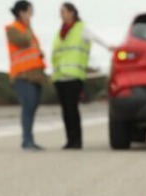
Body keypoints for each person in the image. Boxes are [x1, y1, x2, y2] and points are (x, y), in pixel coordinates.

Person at [52, 2, 114, 149]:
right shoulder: (59, 32)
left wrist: (109, 47)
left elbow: (96, 38)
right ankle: (69, 139)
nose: (61, 14)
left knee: (72, 109)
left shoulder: (81, 28)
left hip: (74, 76)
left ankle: (76, 140)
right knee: (65, 111)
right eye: (60, 12)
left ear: (72, 12)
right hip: (60, 77)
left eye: (64, 11)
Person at [6, 1, 46, 151]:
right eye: (29, 11)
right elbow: (23, 41)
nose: (32, 14)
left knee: (33, 107)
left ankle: (30, 139)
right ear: (21, 12)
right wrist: (28, 25)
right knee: (28, 107)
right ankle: (27, 140)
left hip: (35, 76)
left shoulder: (29, 30)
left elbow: (33, 49)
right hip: (22, 76)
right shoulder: (13, 29)